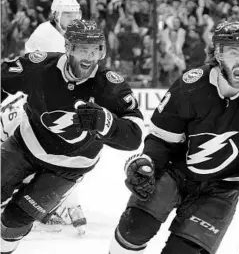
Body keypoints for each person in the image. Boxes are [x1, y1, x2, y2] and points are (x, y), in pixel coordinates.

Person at [108, 21, 239, 254]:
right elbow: (162, 139)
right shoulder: (191, 86)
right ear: (217, 55)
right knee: (134, 228)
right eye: (233, 52)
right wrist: (148, 164)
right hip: (177, 172)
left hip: (223, 189)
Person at [1, 19, 143, 254]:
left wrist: (107, 124)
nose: (89, 57)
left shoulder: (112, 87)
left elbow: (135, 136)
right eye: (81, 49)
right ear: (68, 48)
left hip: (70, 167)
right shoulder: (40, 66)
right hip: (25, 145)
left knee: (15, 221)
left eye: (95, 50)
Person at [1, 0, 86, 234]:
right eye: (67, 15)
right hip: (32, 104)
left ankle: (52, 203)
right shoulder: (45, 34)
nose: (72, 19)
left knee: (74, 147)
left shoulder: (74, 36)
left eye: (75, 14)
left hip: (50, 104)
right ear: (56, 15)